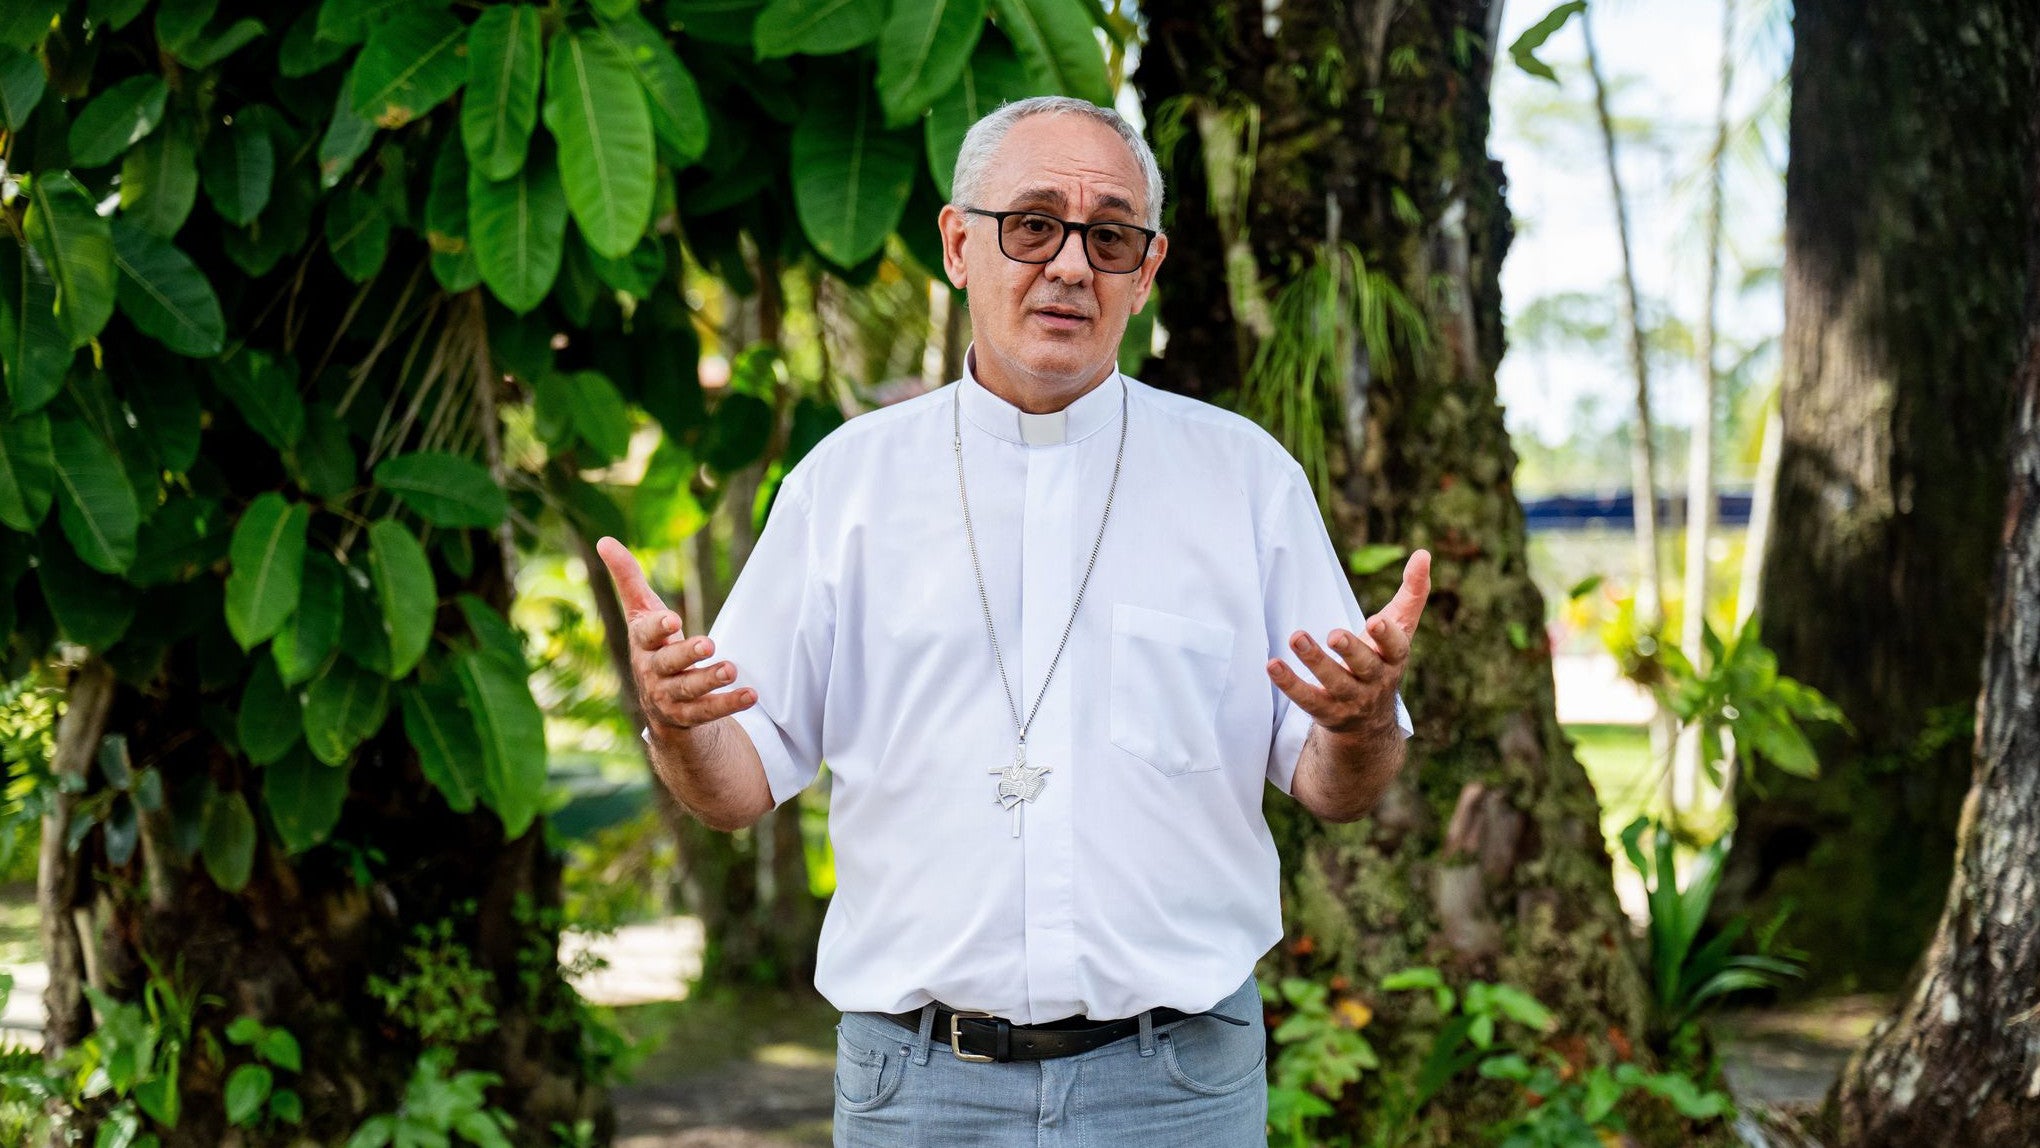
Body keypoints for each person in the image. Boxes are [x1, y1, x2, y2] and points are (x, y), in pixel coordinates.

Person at [596, 95, 1429, 1148]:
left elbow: (1330, 783)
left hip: (1177, 1087)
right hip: (919, 1087)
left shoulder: (1244, 481)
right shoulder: (844, 488)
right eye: (1033, 224)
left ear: (1147, 268)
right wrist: (675, 718)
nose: (1071, 264)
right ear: (959, 242)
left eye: (1109, 235)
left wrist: (1363, 718)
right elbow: (736, 784)